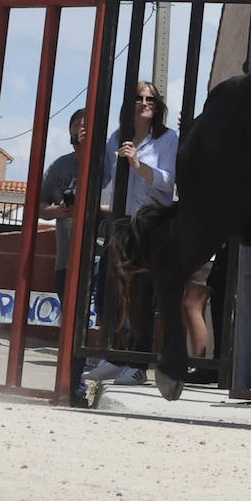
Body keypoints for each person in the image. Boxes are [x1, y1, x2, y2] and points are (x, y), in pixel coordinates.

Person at [86, 80, 178, 386]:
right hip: (121, 222)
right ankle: (115, 356)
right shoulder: (117, 138)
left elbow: (167, 182)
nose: (144, 102)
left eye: (150, 98)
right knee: (108, 290)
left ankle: (138, 362)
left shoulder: (167, 139)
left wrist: (138, 165)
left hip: (151, 225)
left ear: (158, 105)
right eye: (139, 98)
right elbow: (104, 177)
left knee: (140, 294)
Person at [39, 108, 96, 405]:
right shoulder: (61, 166)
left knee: (90, 324)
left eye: (89, 124)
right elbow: (40, 207)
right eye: (79, 125)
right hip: (66, 261)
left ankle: (80, 381)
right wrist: (62, 211)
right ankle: (71, 386)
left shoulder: (106, 164)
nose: (84, 129)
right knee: (73, 324)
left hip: (98, 259)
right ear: (71, 132)